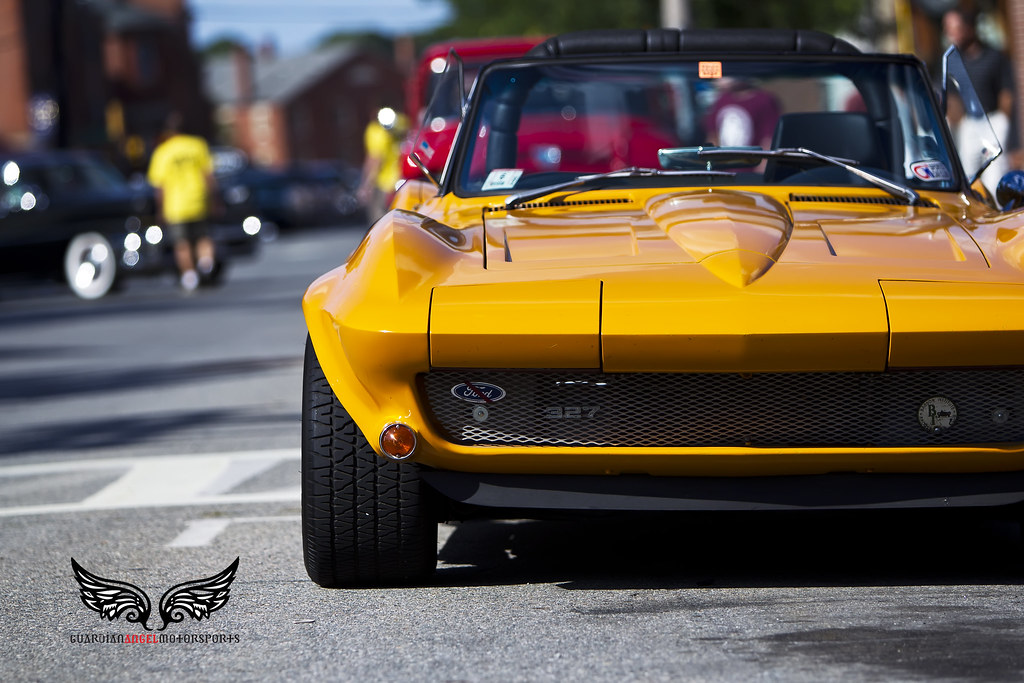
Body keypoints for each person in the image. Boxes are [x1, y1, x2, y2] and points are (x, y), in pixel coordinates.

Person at [943, 8, 1018, 193]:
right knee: (968, 174)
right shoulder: (952, 60)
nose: (953, 34)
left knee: (994, 175)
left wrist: (1003, 121)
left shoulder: (993, 57)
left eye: (957, 28)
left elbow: (1006, 93)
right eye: (949, 29)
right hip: (969, 124)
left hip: (993, 120)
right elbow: (952, 98)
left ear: (970, 29)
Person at [147, 112, 216, 292]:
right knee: (203, 238)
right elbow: (208, 176)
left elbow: (159, 187)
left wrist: (159, 210)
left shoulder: (163, 152)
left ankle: (190, 275)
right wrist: (214, 200)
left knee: (182, 243)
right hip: (198, 199)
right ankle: (206, 265)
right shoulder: (197, 145)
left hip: (176, 205)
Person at [357, 107, 408, 222]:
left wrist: (366, 185)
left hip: (384, 184)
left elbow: (375, 159)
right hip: (404, 179)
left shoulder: (375, 131)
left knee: (380, 221)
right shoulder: (401, 122)